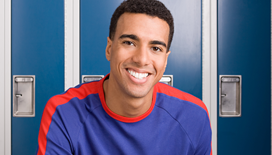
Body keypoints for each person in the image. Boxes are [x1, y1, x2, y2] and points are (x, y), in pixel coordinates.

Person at [36, 0, 212, 154]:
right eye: (129, 43)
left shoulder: (194, 116)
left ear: (165, 60)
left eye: (156, 48)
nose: (141, 59)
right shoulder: (64, 113)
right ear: (109, 49)